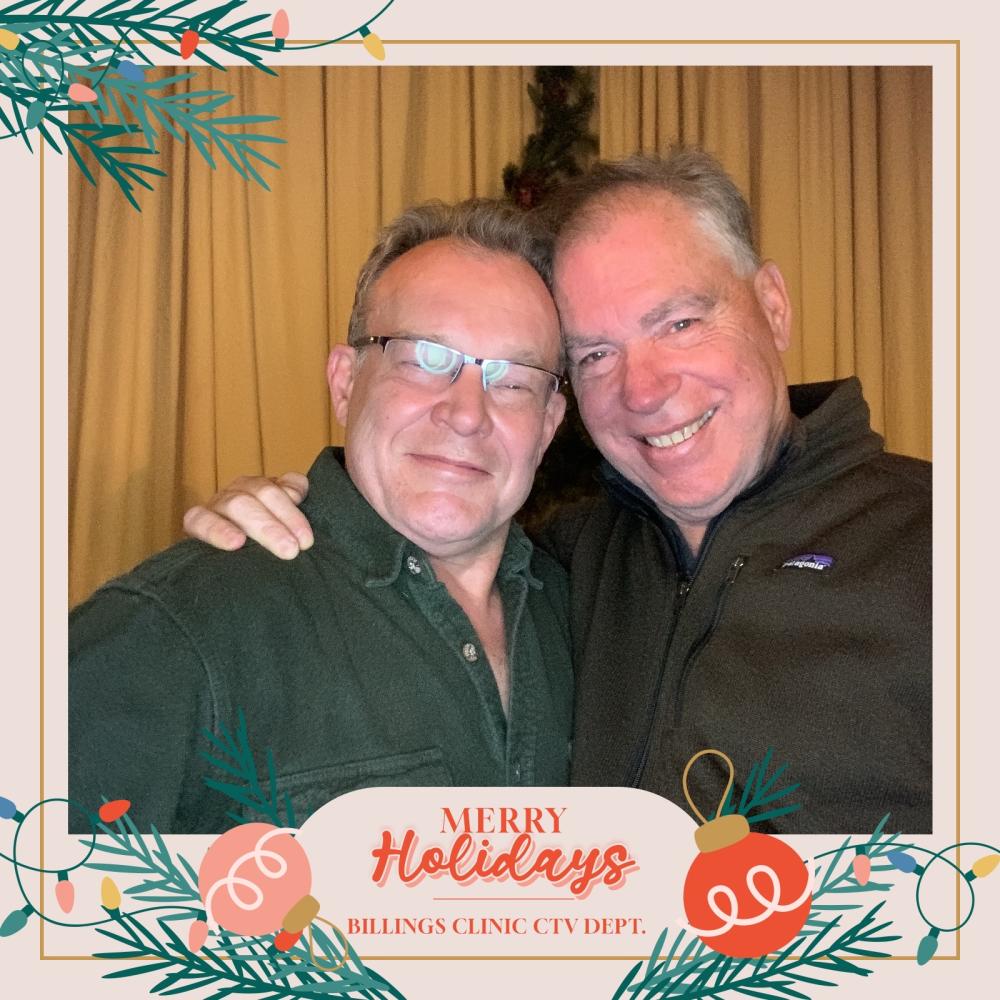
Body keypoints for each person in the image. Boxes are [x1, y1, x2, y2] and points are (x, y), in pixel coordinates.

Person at [184, 150, 932, 834]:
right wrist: (291, 514)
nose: (643, 390)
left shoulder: (943, 547)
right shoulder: (558, 569)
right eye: (596, 355)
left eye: (679, 322)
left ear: (772, 306)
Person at [69, 199, 573, 833]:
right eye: (424, 358)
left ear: (548, 424)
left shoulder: (582, 614)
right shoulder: (172, 633)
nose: (467, 413)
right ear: (344, 382)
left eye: (514, 379)